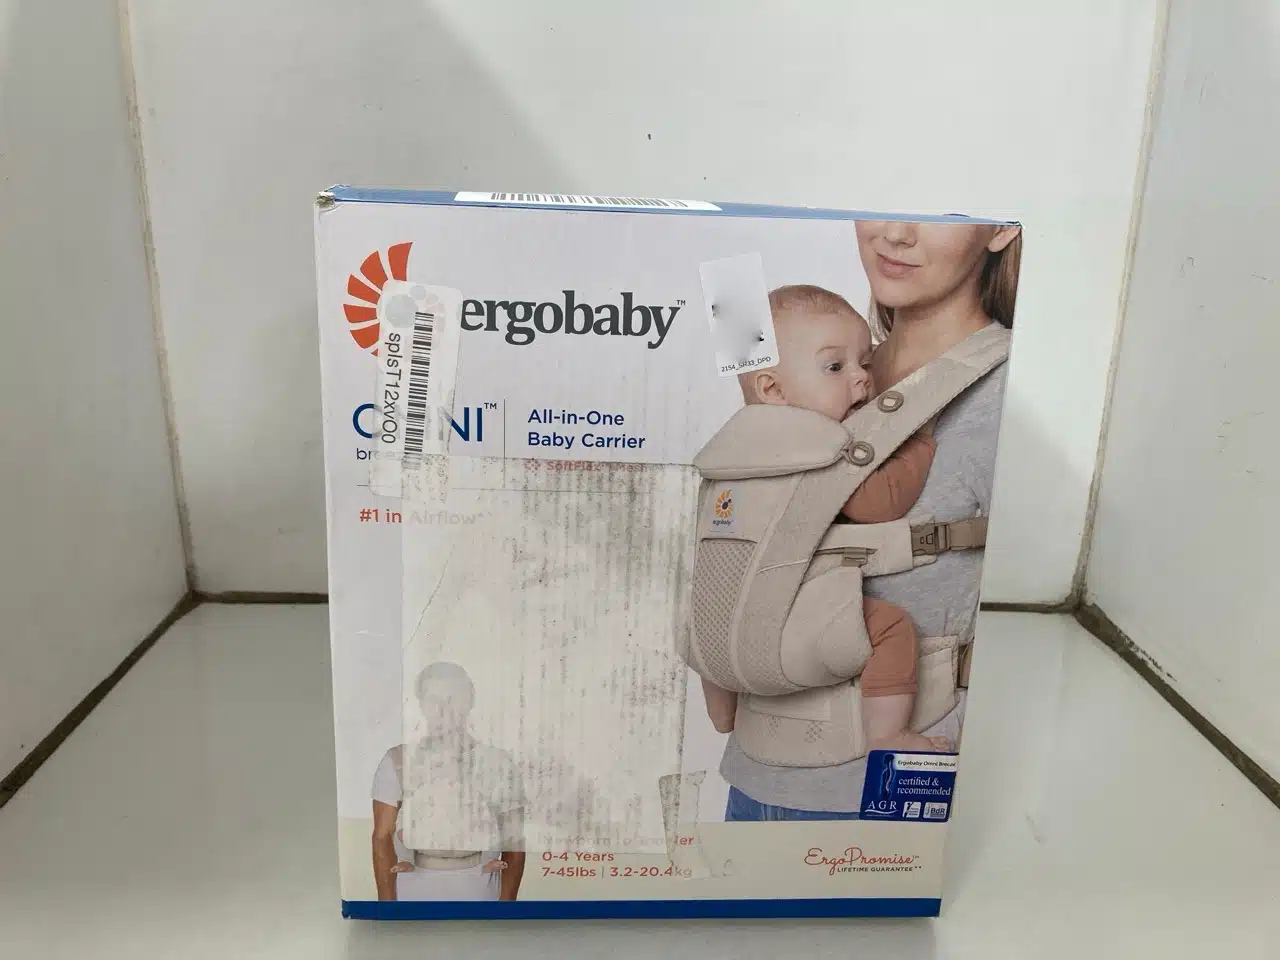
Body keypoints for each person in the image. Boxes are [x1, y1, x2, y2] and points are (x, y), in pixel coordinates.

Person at [716, 219, 1021, 821]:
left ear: (1001, 229)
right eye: (881, 203)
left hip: (886, 785)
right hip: (752, 769)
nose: (896, 234)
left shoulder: (1015, 388)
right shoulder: (812, 364)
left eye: (936, 212)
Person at [699, 284, 948, 755]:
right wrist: (918, 438)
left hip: (714, 630)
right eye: (835, 367)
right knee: (891, 628)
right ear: (773, 389)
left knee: (708, 613)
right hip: (784, 622)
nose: (862, 379)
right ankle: (887, 734)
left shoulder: (729, 443)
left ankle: (723, 713)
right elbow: (880, 504)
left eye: (865, 363)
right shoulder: (817, 444)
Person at [371, 662, 527, 901]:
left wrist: (506, 907)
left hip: (481, 891)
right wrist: (386, 907)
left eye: (452, 698)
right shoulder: (397, 761)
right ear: (421, 704)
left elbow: (514, 840)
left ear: (470, 700)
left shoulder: (498, 763)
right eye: (433, 700)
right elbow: (382, 837)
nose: (443, 709)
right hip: (413, 893)